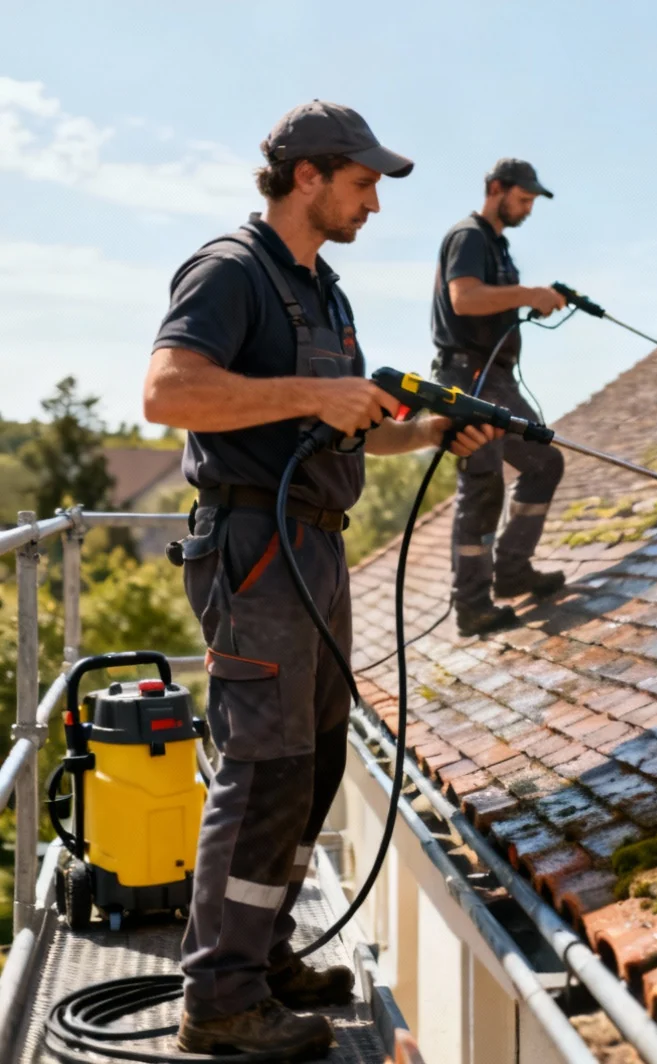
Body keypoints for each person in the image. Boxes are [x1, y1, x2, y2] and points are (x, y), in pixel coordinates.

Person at [144, 101, 501, 1058]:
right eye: (364, 182)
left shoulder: (325, 293)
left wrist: (423, 431)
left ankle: (262, 954)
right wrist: (313, 392)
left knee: (318, 758)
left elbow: (347, 422)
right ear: (308, 176)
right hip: (254, 546)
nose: (375, 202)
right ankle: (218, 999)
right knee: (262, 767)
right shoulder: (230, 272)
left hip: (315, 544)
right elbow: (168, 391)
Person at [430, 158, 569, 637]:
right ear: (495, 189)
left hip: (497, 377)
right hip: (469, 378)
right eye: (523, 199)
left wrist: (530, 298)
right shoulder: (468, 236)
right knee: (483, 486)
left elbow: (492, 300)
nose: (528, 208)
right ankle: (470, 605)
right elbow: (464, 299)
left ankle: (511, 570)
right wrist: (528, 292)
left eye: (532, 201)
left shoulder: (497, 246)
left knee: (544, 463)